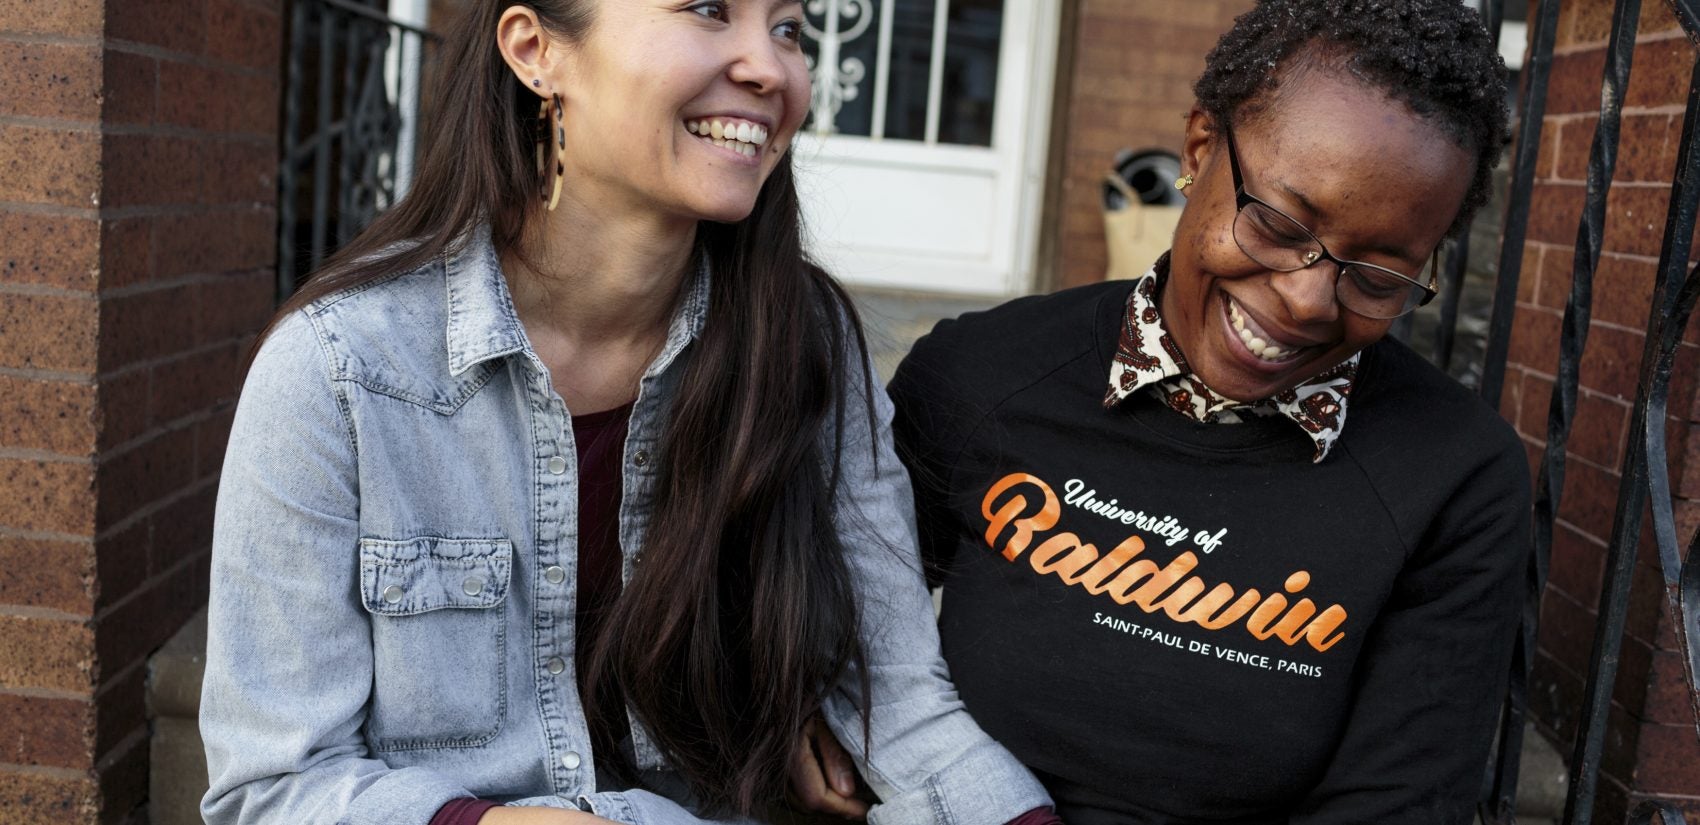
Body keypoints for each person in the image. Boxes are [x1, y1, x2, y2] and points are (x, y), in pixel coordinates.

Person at [198, 2, 1055, 824]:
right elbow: (274, 788)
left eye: (789, 27)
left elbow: (903, 708)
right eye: (709, 8)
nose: (770, 67)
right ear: (537, 51)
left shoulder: (802, 345)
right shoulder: (340, 369)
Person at [840, 1, 1529, 822]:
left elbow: (1395, 805)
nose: (1308, 301)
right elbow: (845, 635)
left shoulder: (1455, 473)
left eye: (1378, 276)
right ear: (1200, 147)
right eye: (1277, 223)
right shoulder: (984, 373)